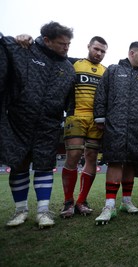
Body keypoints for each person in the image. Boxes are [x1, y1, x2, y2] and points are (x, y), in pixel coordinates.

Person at [0, 21, 75, 228]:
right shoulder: (26, 50)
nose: (66, 48)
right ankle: (20, 210)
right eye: (62, 44)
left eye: (68, 44)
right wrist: (18, 38)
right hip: (19, 120)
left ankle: (43, 211)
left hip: (49, 124)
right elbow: (4, 45)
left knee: (44, 165)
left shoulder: (68, 68)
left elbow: (70, 100)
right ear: (47, 40)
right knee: (19, 164)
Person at [93, 41, 138, 224]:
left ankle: (126, 201)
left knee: (131, 162)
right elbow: (101, 94)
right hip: (115, 125)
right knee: (115, 161)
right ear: (132, 53)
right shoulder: (113, 70)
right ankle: (109, 205)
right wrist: (100, 117)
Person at [59, 36, 108, 218]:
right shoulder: (73, 63)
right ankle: (68, 202)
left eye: (103, 51)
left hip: (96, 120)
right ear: (88, 46)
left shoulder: (106, 71)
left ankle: (81, 201)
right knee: (73, 155)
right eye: (96, 49)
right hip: (76, 115)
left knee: (92, 157)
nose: (99, 53)